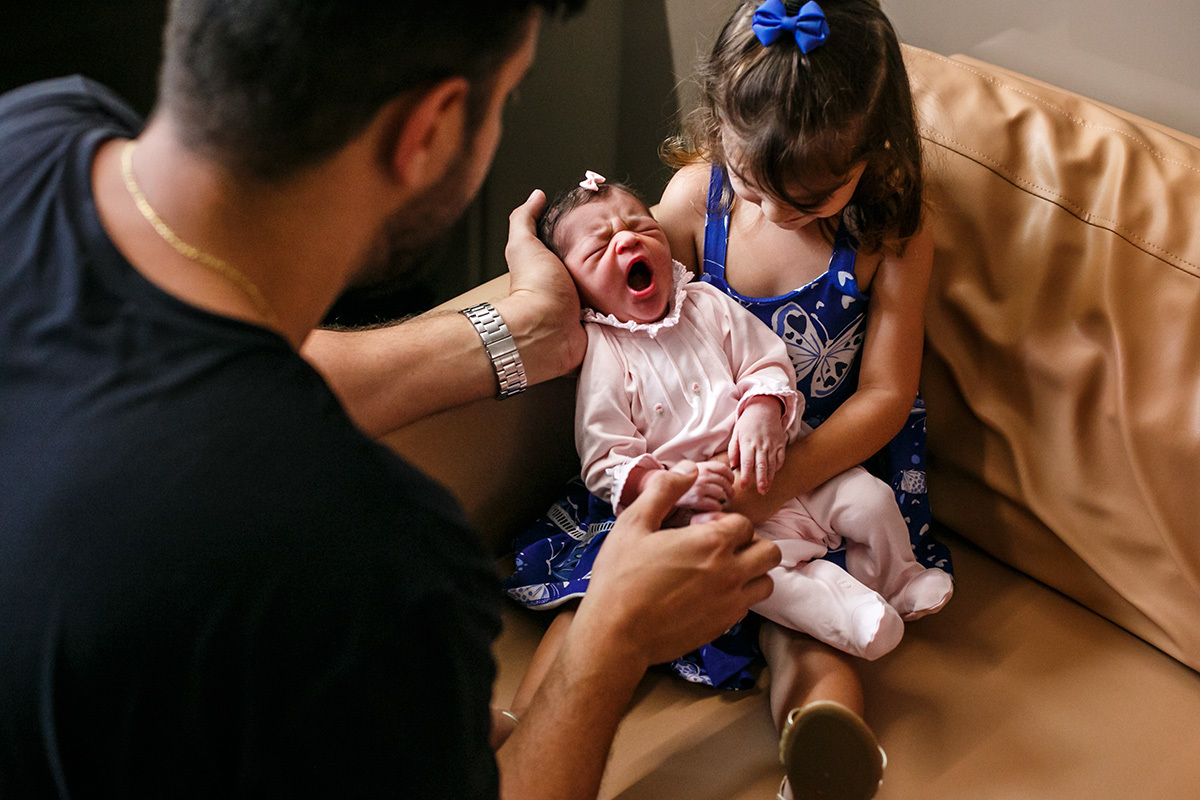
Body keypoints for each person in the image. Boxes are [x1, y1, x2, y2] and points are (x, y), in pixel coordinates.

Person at [0, 2, 784, 798]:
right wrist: (612, 640)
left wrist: (516, 331)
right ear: (434, 130)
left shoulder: (32, 128)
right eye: (506, 102)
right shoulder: (375, 563)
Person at [502, 173, 952, 786]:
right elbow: (606, 456)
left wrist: (765, 409)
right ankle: (516, 728)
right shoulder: (609, 344)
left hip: (799, 468)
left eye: (639, 228)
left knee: (830, 582)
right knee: (612, 598)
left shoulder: (706, 302)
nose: (625, 241)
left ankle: (820, 757)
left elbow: (768, 360)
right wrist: (668, 486)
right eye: (597, 247)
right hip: (689, 516)